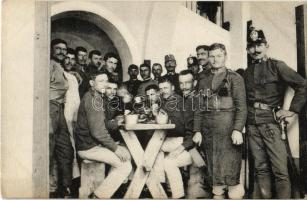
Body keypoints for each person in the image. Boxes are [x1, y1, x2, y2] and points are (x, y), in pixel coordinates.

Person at [244, 27, 307, 199]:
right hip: (251, 125)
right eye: (251, 46)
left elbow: (303, 85)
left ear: (266, 45)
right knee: (261, 168)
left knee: (280, 170)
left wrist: (292, 111)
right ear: (247, 49)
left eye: (259, 45)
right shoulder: (247, 72)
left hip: (271, 124)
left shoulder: (277, 66)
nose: (255, 50)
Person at [193, 43, 247, 199]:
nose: (215, 59)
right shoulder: (203, 79)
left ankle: (235, 193)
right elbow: (198, 107)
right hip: (208, 130)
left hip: (228, 129)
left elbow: (241, 107)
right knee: (213, 169)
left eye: (219, 56)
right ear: (208, 58)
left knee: (231, 170)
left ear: (225, 56)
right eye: (212, 56)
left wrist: (237, 129)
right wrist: (197, 130)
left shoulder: (235, 78)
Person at [74, 70, 132, 198]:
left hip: (91, 144)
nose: (105, 84)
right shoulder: (94, 99)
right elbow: (98, 132)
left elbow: (102, 124)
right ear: (91, 83)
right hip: (88, 147)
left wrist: (116, 122)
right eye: (101, 81)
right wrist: (115, 149)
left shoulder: (95, 96)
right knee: (125, 165)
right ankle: (98, 196)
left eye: (106, 80)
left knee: (126, 154)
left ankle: (107, 193)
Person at [158, 77, 193, 198]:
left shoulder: (182, 102)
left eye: (166, 88)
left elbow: (190, 131)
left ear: (173, 88)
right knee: (153, 150)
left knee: (164, 159)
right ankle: (163, 187)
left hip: (186, 144)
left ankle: (169, 190)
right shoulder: (163, 102)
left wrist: (182, 147)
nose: (163, 91)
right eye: (161, 88)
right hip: (172, 141)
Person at [178, 70, 211, 198]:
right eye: (181, 83)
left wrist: (185, 145)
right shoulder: (184, 99)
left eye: (187, 83)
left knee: (195, 193)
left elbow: (198, 126)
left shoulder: (197, 99)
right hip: (189, 144)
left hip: (199, 147)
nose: (184, 86)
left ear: (195, 82)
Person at [49, 39, 74, 198]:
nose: (62, 52)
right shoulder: (48, 65)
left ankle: (65, 188)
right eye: (58, 49)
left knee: (66, 149)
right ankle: (48, 189)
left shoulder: (59, 67)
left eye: (64, 49)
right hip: (49, 108)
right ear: (51, 50)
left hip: (59, 110)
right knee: (48, 150)